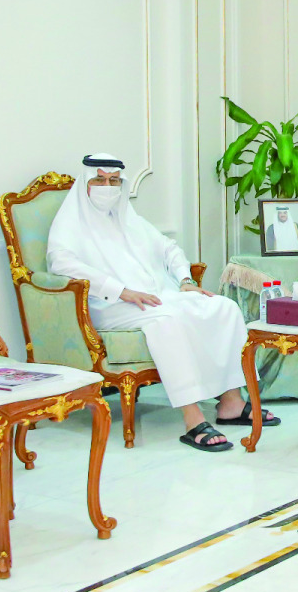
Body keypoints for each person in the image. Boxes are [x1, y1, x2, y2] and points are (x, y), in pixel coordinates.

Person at [47, 154, 279, 452]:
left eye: (114, 181)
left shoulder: (128, 218)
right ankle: (192, 418)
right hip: (109, 306)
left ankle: (232, 402)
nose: (107, 187)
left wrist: (186, 281)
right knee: (167, 322)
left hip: (156, 296)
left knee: (223, 308)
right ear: (86, 184)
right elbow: (61, 265)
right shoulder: (70, 223)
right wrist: (120, 290)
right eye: (100, 180)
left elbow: (168, 248)